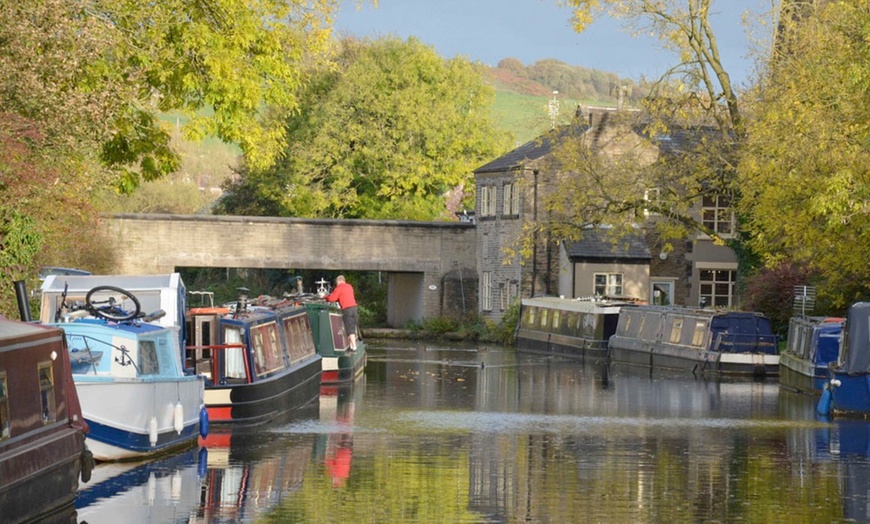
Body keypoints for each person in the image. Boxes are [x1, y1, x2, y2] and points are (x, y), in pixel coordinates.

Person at [326, 275, 359, 351]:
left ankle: (354, 347)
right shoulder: (349, 286)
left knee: (349, 328)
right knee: (352, 326)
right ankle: (351, 346)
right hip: (354, 308)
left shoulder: (339, 287)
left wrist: (326, 297)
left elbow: (332, 299)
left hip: (347, 309)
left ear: (338, 282)